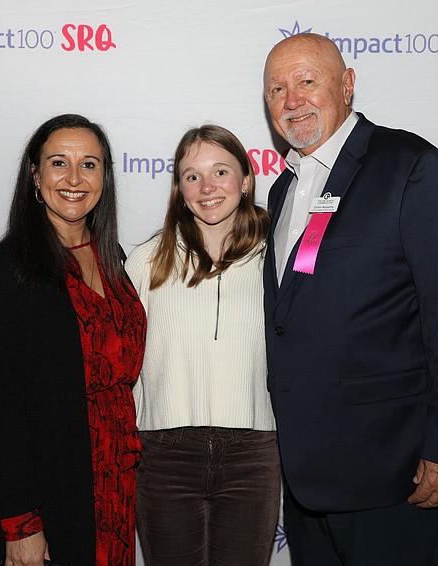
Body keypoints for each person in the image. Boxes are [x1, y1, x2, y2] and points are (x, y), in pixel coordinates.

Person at [261, 33, 438, 565]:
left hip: (397, 474)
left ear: (347, 86)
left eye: (306, 81)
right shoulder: (281, 191)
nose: (291, 100)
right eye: (276, 88)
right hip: (307, 481)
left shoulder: (410, 167)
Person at [0, 114, 146, 566]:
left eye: (89, 164)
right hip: (51, 492)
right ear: (34, 174)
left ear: (104, 178)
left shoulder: (114, 259)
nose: (73, 178)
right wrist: (20, 524)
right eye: (58, 163)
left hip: (114, 487)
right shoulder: (7, 268)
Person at [125, 125, 281, 566]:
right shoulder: (147, 260)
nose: (207, 187)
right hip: (163, 453)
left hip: (253, 452)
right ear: (178, 187)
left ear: (247, 180)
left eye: (220, 171)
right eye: (192, 176)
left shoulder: (279, 256)